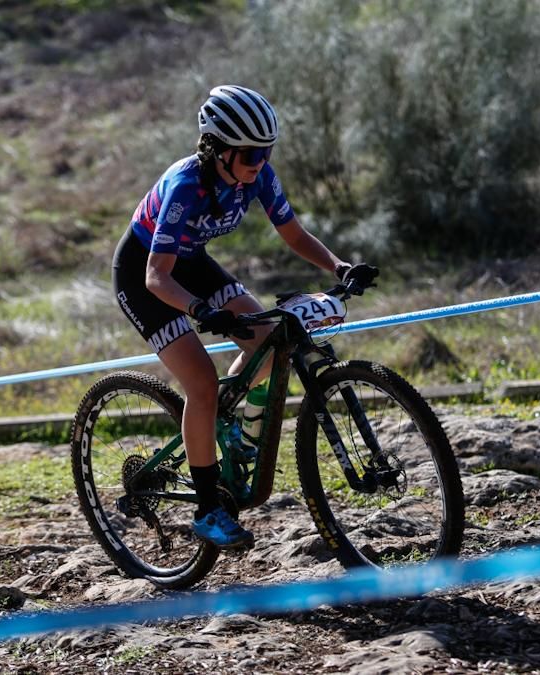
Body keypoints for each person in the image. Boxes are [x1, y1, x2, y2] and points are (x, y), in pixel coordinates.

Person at [112, 85, 378, 549]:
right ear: (217, 149)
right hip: (145, 275)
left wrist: (338, 266)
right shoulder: (185, 186)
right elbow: (157, 277)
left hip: (190, 261)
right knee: (200, 381)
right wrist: (201, 311)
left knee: (271, 344)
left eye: (266, 151)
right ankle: (207, 508)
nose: (260, 161)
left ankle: (229, 422)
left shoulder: (257, 176)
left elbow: (293, 233)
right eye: (251, 153)